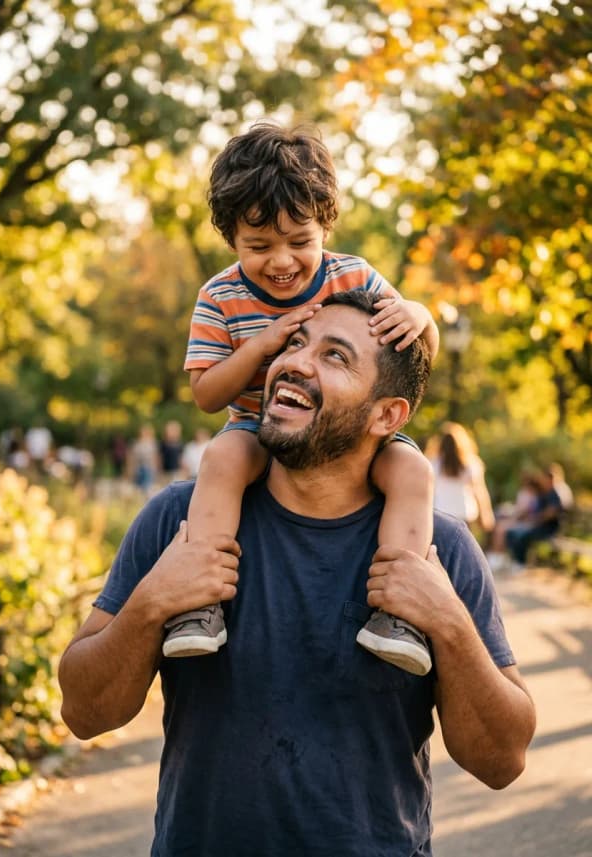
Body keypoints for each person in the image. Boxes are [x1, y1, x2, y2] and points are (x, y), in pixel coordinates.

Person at [59, 291, 535, 857]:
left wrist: (449, 624)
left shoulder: (440, 550)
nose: (295, 362)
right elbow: (84, 713)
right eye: (294, 343)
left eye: (335, 357)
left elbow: (502, 761)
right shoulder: (179, 522)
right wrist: (151, 602)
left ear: (387, 414)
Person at [163, 122, 440, 674]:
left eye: (300, 242)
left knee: (412, 471)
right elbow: (205, 394)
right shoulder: (220, 296)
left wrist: (422, 314)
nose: (282, 261)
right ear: (231, 238)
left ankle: (399, 614)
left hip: (343, 431)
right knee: (219, 459)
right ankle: (200, 605)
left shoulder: (352, 275)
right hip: (256, 425)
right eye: (258, 246)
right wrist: (262, 345)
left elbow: (417, 354)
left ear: (325, 229)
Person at [426, 421, 495, 538]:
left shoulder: (432, 464)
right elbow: (480, 491)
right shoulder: (471, 463)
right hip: (465, 513)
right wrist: (486, 514)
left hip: (440, 513)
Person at [505, 465, 565, 567]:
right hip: (538, 525)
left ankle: (521, 563)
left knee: (522, 536)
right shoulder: (545, 492)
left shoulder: (555, 494)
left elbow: (551, 513)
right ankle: (514, 560)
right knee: (512, 532)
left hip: (548, 529)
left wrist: (536, 519)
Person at [128, 425, 160, 495]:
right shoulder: (136, 444)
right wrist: (131, 469)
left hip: (149, 469)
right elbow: (132, 458)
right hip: (138, 468)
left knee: (148, 487)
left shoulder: (153, 444)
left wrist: (156, 470)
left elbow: (155, 458)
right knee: (138, 487)